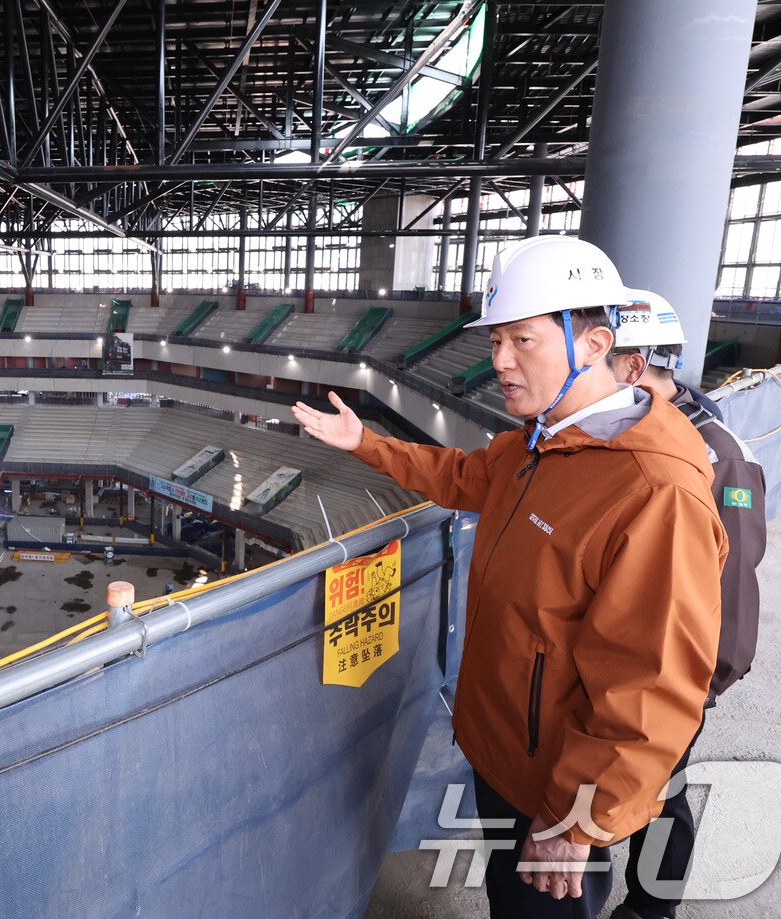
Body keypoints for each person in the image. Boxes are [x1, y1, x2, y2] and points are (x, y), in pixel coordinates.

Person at [292, 236, 726, 919]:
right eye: (497, 340)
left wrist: (578, 820)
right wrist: (367, 444)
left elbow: (650, 684)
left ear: (593, 343)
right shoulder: (545, 439)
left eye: (522, 340)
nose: (499, 361)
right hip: (505, 755)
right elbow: (464, 476)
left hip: (555, 791)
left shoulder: (654, 489)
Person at [605, 291, 766, 919]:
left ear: (636, 363)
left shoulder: (717, 456)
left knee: (659, 792)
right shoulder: (636, 432)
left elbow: (732, 584)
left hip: (678, 672)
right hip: (631, 657)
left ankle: (651, 906)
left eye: (603, 359)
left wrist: (702, 682)